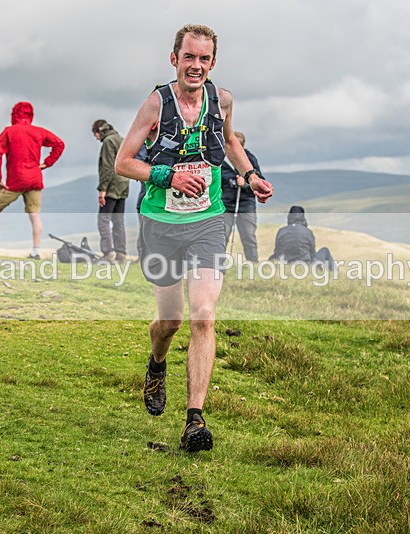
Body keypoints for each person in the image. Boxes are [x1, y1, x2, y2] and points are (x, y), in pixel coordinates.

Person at [115, 24, 273, 452]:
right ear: (175, 59)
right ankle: (156, 363)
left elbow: (229, 144)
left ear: (213, 63)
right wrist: (168, 176)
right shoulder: (156, 103)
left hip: (208, 220)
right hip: (160, 222)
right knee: (170, 322)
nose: (196, 66)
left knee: (204, 315)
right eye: (189, 57)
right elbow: (123, 163)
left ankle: (194, 420)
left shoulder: (222, 101)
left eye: (204, 59)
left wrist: (250, 174)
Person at [0, 101, 65, 259]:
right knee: (35, 215)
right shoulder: (38, 132)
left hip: (16, 179)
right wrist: (46, 163)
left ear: (14, 115)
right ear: (31, 115)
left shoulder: (9, 131)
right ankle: (36, 251)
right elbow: (59, 144)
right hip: (35, 178)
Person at [92, 120, 130, 263]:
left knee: (103, 219)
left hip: (112, 185)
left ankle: (107, 254)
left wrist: (102, 189)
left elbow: (107, 167)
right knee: (118, 220)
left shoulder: (108, 142)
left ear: (98, 132)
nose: (96, 138)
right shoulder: (120, 139)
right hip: (124, 183)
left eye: (95, 135)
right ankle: (121, 254)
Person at [221, 131, 261, 261]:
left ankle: (253, 264)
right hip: (225, 204)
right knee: (221, 236)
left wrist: (245, 184)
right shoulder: (219, 159)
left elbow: (259, 182)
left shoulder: (250, 160)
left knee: (248, 236)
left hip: (245, 203)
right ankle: (217, 265)